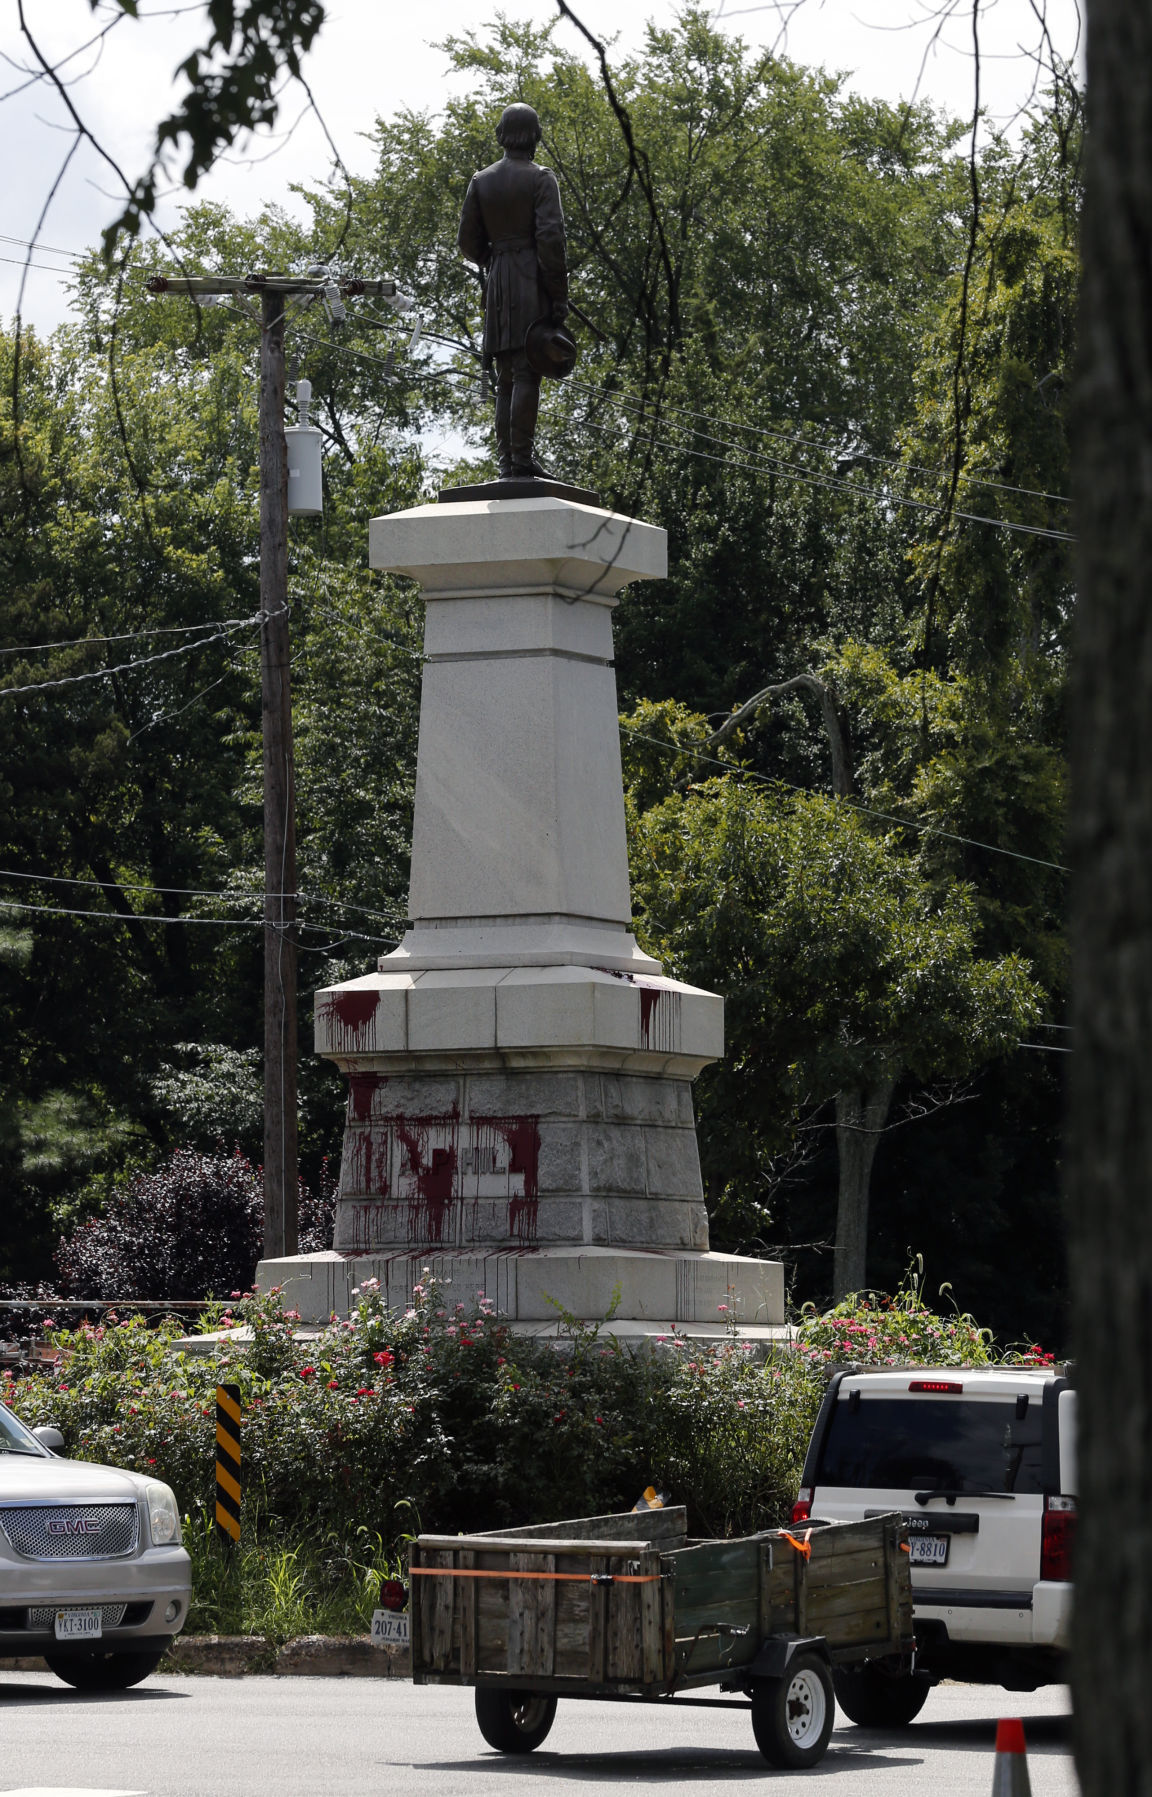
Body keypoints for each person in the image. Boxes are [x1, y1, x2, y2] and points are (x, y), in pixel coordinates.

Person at [458, 103, 569, 478]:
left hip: (498, 279)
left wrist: (493, 258)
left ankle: (508, 459)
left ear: (502, 134)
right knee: (526, 372)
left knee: (506, 374)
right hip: (529, 280)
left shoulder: (480, 180)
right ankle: (520, 459)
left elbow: (467, 241)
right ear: (534, 135)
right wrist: (558, 294)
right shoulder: (541, 179)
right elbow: (551, 239)